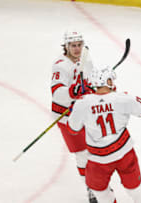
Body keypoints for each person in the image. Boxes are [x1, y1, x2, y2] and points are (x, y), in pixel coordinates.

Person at [66, 66, 141, 203]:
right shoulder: (122, 98)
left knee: (103, 196)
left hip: (98, 160)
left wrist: (74, 108)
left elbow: (73, 129)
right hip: (124, 154)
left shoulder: (83, 104)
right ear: (108, 82)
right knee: (137, 191)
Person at [51, 30, 97, 203]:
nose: (77, 49)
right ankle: (91, 188)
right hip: (65, 117)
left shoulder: (87, 61)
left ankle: (97, 183)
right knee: (82, 154)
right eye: (73, 46)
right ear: (66, 46)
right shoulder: (60, 65)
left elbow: (91, 82)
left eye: (79, 45)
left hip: (85, 113)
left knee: (94, 151)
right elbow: (56, 93)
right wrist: (74, 90)